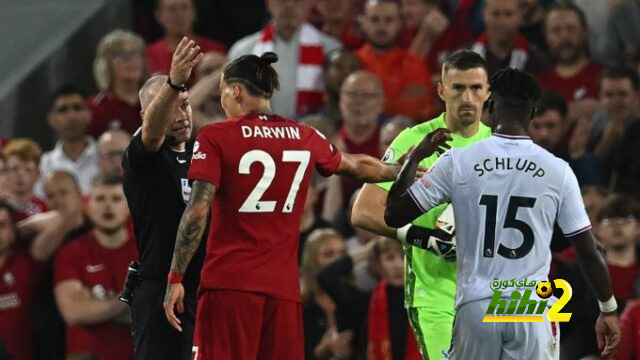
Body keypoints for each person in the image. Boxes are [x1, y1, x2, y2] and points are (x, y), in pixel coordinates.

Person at [162, 51, 404, 360]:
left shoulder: (216, 136)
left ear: (234, 90)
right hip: (285, 292)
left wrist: (175, 277)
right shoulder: (303, 135)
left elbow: (197, 210)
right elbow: (355, 166)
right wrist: (399, 171)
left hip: (230, 286)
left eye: (222, 91)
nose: (222, 101)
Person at [384, 68, 621, 358]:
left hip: (476, 305)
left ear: (490, 106)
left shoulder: (458, 161)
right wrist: (607, 308)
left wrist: (415, 158)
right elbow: (587, 248)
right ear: (532, 112)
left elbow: (394, 215)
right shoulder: (558, 170)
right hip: (529, 308)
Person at [351, 49, 492, 359]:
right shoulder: (413, 141)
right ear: (441, 90)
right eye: (458, 88)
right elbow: (364, 211)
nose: (467, 97)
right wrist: (425, 238)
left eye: (475, 88)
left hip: (491, 294)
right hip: (435, 295)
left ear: (487, 92)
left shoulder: (500, 145)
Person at [122, 37, 205, 360]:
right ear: (148, 113)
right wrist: (173, 84)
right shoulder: (141, 158)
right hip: (160, 292)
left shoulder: (207, 153)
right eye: (169, 107)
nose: (181, 114)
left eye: (184, 104)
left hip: (205, 290)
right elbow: (153, 134)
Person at [54, 174, 137, 360]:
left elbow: (153, 312)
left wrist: (97, 305)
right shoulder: (71, 252)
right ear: (88, 206)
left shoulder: (146, 252)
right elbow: (74, 312)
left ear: (129, 207)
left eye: (116, 199)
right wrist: (127, 299)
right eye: (100, 199)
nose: (108, 206)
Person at [228, 0, 342, 118]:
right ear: (268, 4)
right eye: (282, 1)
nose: (289, 7)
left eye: (296, 2)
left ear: (309, 4)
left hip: (312, 132)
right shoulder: (243, 51)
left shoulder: (331, 50)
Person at [357, 0, 435, 120]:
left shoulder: (415, 63)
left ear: (400, 24)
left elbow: (416, 108)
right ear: (363, 22)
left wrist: (368, 102)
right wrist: (395, 102)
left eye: (389, 20)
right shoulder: (352, 62)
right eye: (374, 19)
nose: (381, 27)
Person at [146, 0, 226, 84]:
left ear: (194, 13)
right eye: (171, 9)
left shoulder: (215, 49)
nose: (178, 14)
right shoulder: (149, 54)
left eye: (185, 7)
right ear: (158, 15)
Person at [88, 29, 147, 137]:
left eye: (135, 54)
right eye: (124, 55)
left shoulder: (155, 96)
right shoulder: (97, 107)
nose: (132, 61)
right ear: (107, 64)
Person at [40, 85, 98, 194]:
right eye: (63, 110)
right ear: (51, 119)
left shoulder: (106, 156)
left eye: (77, 107)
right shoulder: (44, 165)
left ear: (89, 114)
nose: (71, 115)